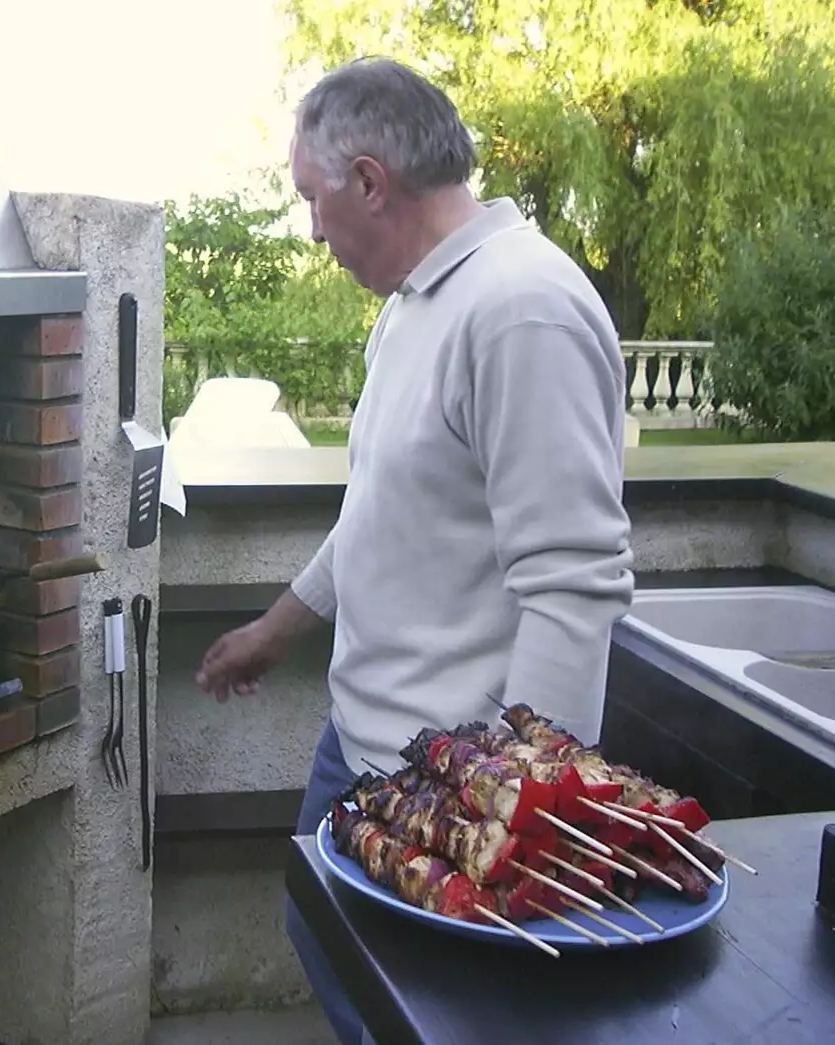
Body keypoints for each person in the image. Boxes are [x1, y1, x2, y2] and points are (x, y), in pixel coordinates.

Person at [194, 57, 635, 1045]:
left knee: (427, 1021)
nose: (311, 228)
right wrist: (275, 629)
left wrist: (522, 829)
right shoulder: (412, 305)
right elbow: (381, 509)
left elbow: (572, 588)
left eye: (312, 198)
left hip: (452, 788)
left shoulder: (522, 310)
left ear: (367, 180)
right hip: (361, 746)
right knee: (336, 955)